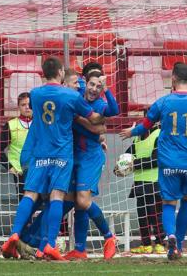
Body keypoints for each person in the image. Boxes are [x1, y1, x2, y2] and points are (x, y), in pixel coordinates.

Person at [119, 62, 187, 260]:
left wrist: (131, 132)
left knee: (168, 203)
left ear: (174, 78)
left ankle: (169, 238)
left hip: (168, 162)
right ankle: (177, 242)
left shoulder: (163, 102)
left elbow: (145, 126)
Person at [0, 57, 103, 261]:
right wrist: (103, 117)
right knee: (57, 197)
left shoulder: (35, 94)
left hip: (40, 153)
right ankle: (49, 245)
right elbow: (93, 118)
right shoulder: (70, 96)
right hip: (62, 154)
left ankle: (14, 235)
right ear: (60, 73)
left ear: (43, 73)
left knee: (30, 194)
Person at [62, 68, 119, 261]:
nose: (94, 88)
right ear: (84, 83)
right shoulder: (76, 95)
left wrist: (108, 89)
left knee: (83, 201)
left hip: (90, 157)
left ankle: (109, 237)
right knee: (78, 204)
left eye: (98, 86)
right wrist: (95, 129)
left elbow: (114, 111)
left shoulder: (101, 104)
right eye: (92, 84)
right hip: (73, 155)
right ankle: (79, 249)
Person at [118, 121, 166, 255]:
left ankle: (160, 243)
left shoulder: (159, 135)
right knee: (142, 216)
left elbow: (156, 160)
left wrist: (134, 164)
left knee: (155, 215)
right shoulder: (137, 138)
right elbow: (128, 157)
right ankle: (146, 244)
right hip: (139, 183)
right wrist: (121, 165)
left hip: (155, 182)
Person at [0, 92, 32, 199]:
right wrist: (10, 167)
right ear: (18, 107)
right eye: (23, 105)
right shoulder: (11, 125)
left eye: (29, 104)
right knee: (25, 204)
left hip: (40, 169)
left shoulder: (40, 123)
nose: (27, 107)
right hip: (21, 172)